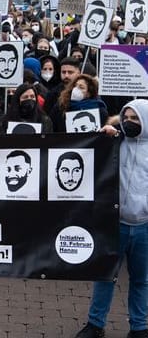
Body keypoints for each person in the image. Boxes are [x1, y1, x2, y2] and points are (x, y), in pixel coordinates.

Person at [75, 99, 148, 338]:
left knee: (140, 279)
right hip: (116, 224)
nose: (129, 122)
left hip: (144, 226)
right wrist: (104, 136)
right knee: (105, 275)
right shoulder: (117, 141)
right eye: (126, 117)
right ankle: (95, 324)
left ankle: (139, 326)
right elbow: (94, 153)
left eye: (135, 118)